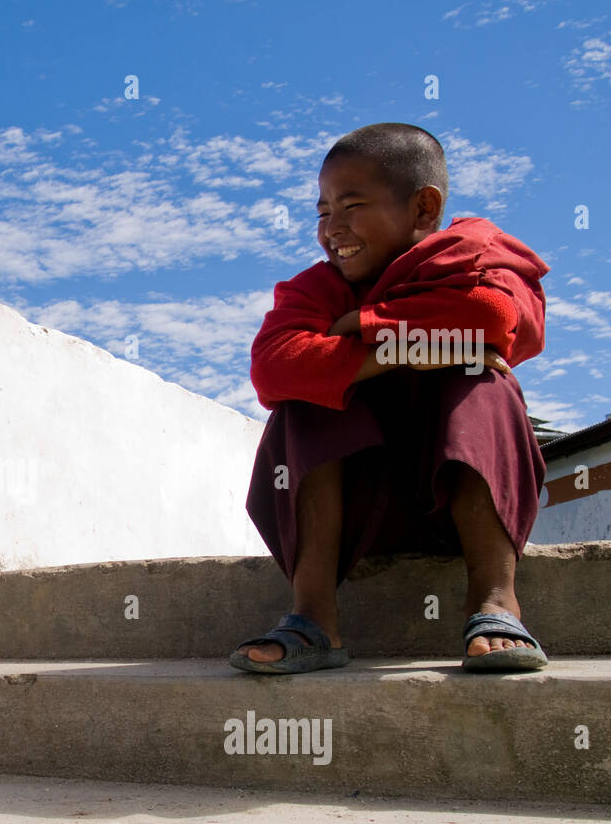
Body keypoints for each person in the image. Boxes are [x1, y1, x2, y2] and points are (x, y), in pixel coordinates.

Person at [230, 123, 549, 675]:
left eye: (351, 205)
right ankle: (313, 617)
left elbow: (491, 318)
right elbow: (273, 368)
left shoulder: (471, 253)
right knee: (306, 399)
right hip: (353, 517)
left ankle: (495, 601)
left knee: (479, 377)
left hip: (458, 506)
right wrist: (407, 350)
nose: (333, 228)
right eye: (322, 211)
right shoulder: (316, 287)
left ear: (425, 208)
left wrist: (358, 324)